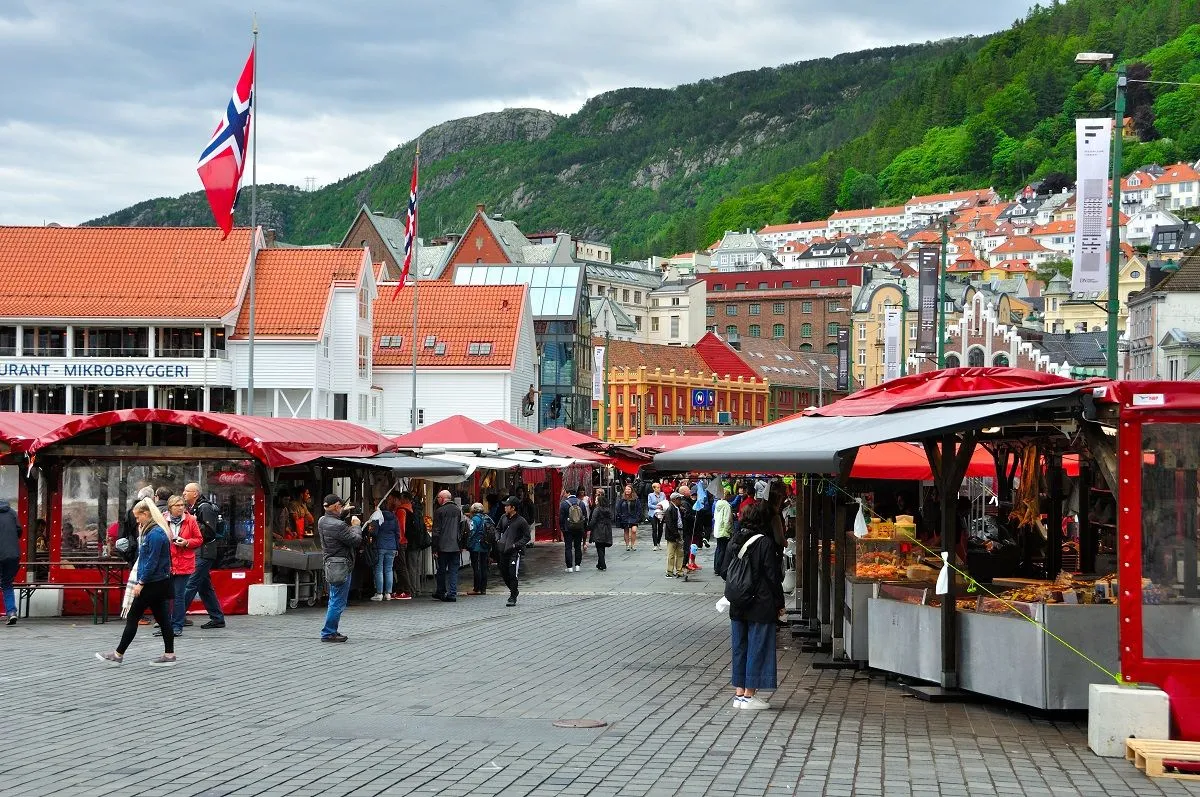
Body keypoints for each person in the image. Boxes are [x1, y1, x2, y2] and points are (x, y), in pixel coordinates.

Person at [95, 499, 177, 667]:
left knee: (133, 617)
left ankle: (118, 654)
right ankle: (169, 655)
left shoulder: (154, 534)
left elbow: (151, 562)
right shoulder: (155, 531)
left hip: (152, 583)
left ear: (146, 514)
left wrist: (141, 582)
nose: (137, 521)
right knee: (162, 619)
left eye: (138, 517)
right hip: (159, 582)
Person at [726, 501, 784, 710]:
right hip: (760, 602)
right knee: (758, 646)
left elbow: (724, 569)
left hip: (738, 601)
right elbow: (772, 576)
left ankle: (739, 693)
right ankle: (750, 695)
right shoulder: (764, 543)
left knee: (740, 647)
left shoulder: (735, 539)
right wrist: (779, 603)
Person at [181, 483, 226, 630]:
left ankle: (175, 617)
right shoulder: (195, 508)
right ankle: (217, 618)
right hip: (200, 551)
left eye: (187, 491)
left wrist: (191, 522)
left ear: (195, 493)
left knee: (190, 584)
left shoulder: (204, 507)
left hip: (204, 552)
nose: (183, 493)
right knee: (204, 587)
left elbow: (209, 532)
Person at [157, 494, 202, 638]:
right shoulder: (162, 519)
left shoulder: (191, 520)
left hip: (184, 562)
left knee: (178, 596)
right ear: (170, 507)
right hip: (167, 563)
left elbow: (199, 539)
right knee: (164, 597)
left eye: (182, 505)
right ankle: (165, 626)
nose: (181, 508)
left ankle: (177, 626)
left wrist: (186, 542)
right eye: (177, 505)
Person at [318, 495, 361, 642]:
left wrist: (343, 513)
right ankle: (329, 632)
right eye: (340, 506)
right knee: (337, 601)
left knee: (334, 598)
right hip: (341, 566)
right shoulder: (339, 526)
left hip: (331, 565)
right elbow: (356, 540)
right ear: (336, 506)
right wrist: (356, 526)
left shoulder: (322, 521)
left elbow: (333, 523)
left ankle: (330, 631)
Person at [497, 497, 531, 607]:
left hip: (514, 552)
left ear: (513, 508)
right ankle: (514, 590)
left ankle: (512, 596)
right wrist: (498, 539)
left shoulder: (521, 521)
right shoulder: (503, 518)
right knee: (504, 573)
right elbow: (498, 529)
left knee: (512, 574)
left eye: (507, 505)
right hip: (503, 550)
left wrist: (516, 545)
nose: (505, 507)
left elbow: (527, 537)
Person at [431, 490, 462, 602]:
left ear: (443, 498)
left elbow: (436, 531)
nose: (437, 500)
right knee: (453, 570)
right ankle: (452, 593)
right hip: (455, 546)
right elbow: (461, 528)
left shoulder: (439, 511)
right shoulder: (458, 510)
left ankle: (441, 591)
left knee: (441, 570)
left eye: (438, 498)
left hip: (442, 546)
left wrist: (434, 548)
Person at [370, 498, 400, 601]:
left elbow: (374, 532)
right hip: (392, 546)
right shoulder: (394, 517)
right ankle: (388, 593)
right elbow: (397, 534)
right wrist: (397, 547)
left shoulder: (378, 517)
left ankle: (379, 593)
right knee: (389, 569)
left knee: (379, 569)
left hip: (380, 545)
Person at [0, 498, 22, 625]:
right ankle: (11, 612)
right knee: (7, 583)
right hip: (13, 555)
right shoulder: (12, 513)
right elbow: (19, 531)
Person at [394, 492, 419, 599]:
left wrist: (399, 540)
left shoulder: (401, 510)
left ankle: (407, 590)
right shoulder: (413, 509)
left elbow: (401, 528)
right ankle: (409, 589)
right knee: (410, 567)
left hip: (402, 542)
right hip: (411, 542)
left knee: (402, 567)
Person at [559, 488, 588, 572]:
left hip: (568, 529)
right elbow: (585, 517)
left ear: (568, 493)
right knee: (578, 547)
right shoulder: (581, 503)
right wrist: (584, 527)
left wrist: (562, 528)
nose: (564, 494)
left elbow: (561, 518)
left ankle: (569, 567)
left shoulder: (564, 504)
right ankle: (578, 565)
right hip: (579, 528)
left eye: (565, 493)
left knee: (568, 547)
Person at [467, 503, 493, 595]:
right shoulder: (487, 518)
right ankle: (483, 589)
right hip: (485, 545)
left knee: (476, 567)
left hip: (476, 546)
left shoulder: (475, 519)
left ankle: (476, 588)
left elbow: (472, 532)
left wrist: (468, 544)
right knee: (484, 567)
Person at [661, 492, 687, 578]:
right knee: (671, 554)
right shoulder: (670, 509)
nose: (681, 500)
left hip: (679, 531)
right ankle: (670, 571)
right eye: (679, 499)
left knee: (680, 552)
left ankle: (679, 570)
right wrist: (676, 534)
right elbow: (670, 524)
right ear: (675, 500)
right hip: (673, 534)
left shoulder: (678, 508)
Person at [587, 492, 615, 571]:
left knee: (599, 547)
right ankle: (600, 563)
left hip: (598, 529)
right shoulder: (608, 509)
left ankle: (603, 564)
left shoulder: (597, 509)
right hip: (607, 529)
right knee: (602, 547)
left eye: (596, 500)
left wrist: (588, 527)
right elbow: (612, 518)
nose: (595, 501)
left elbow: (593, 520)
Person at [713, 486, 733, 579]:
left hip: (718, 529)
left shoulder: (718, 503)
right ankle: (720, 567)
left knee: (718, 548)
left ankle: (716, 567)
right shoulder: (727, 505)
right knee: (723, 550)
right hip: (724, 530)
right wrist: (729, 530)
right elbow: (727, 519)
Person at [615, 484, 641, 552]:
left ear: (631, 490)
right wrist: (620, 515)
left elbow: (639, 508)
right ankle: (627, 545)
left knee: (634, 530)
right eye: (626, 489)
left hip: (634, 517)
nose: (627, 490)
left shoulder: (636, 499)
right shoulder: (622, 499)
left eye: (629, 489)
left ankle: (633, 545)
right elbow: (618, 507)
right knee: (626, 531)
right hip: (625, 517)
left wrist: (638, 516)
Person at [646, 482, 666, 550]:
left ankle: (658, 542)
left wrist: (662, 506)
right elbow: (649, 505)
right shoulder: (650, 495)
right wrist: (657, 507)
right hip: (653, 513)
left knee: (660, 528)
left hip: (661, 513)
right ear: (654, 488)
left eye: (659, 487)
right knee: (654, 528)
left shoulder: (663, 494)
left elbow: (665, 502)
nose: (659, 489)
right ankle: (655, 544)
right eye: (657, 487)